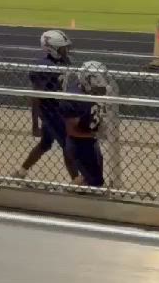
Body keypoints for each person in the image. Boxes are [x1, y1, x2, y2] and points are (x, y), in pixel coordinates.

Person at [14, 30, 78, 182]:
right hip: (51, 112)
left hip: (60, 109)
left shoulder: (63, 61)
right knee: (68, 144)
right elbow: (36, 97)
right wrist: (35, 124)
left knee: (45, 144)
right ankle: (76, 180)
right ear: (52, 49)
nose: (66, 50)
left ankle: (22, 171)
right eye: (63, 48)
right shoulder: (44, 66)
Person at [61, 61, 108, 188]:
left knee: (96, 180)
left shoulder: (91, 91)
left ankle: (80, 184)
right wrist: (95, 134)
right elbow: (72, 130)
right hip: (79, 143)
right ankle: (77, 188)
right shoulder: (74, 97)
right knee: (95, 182)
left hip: (90, 139)